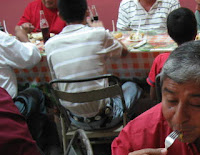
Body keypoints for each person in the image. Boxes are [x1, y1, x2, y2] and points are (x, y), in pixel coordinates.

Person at [45, 0, 143, 131]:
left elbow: (56, 83)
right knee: (132, 85)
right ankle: (130, 130)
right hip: (108, 117)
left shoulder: (50, 45)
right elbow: (124, 52)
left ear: (60, 16)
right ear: (86, 12)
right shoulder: (99, 34)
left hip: (74, 120)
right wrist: (101, 30)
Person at [0, 29, 48, 152]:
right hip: (6, 112)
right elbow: (29, 57)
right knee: (36, 93)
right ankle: (34, 148)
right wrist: (25, 39)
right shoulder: (2, 39)